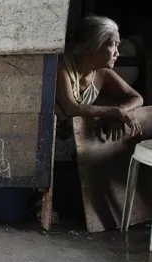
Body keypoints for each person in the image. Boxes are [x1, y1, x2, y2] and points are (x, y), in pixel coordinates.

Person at [55, 15, 143, 156]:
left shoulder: (102, 73)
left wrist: (119, 112)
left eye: (117, 45)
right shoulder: (62, 67)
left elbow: (137, 97)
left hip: (76, 150)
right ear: (89, 47)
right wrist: (113, 112)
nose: (117, 53)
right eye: (111, 44)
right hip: (48, 147)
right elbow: (71, 109)